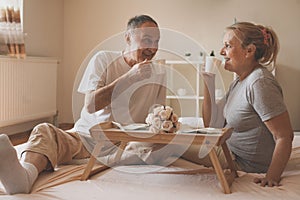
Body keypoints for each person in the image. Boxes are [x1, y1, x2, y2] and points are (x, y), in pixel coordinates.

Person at [0, 14, 168, 195]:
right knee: (44, 132)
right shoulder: (103, 59)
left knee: (162, 147)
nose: (153, 48)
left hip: (126, 143)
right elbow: (90, 105)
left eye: (157, 41)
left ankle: (109, 159)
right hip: (86, 137)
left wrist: (164, 121)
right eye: (147, 40)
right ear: (127, 38)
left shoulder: (159, 73)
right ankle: (24, 177)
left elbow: (155, 118)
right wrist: (129, 78)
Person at [184, 21, 294, 187]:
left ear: (249, 51)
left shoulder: (259, 83)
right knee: (173, 141)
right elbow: (212, 124)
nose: (222, 52)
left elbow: (284, 136)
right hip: (229, 151)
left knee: (166, 147)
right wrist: (208, 81)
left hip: (243, 162)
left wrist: (272, 176)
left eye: (228, 46)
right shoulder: (240, 82)